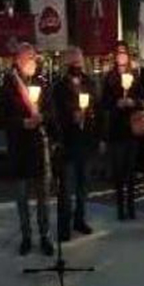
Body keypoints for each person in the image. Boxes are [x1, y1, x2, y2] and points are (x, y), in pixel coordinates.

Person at [0, 43, 53, 256]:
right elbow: (0, 119)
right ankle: (27, 236)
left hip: (39, 147)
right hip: (19, 148)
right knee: (22, 197)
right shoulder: (9, 85)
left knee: (43, 197)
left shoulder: (43, 82)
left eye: (34, 57)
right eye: (29, 57)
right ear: (18, 60)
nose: (33, 61)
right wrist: (22, 123)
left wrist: (43, 117)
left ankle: (44, 235)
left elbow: (51, 112)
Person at [101, 42, 144, 221]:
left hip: (132, 128)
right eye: (118, 52)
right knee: (119, 171)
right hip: (117, 129)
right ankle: (120, 207)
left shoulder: (136, 75)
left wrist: (133, 102)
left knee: (130, 170)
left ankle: (131, 206)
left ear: (128, 55)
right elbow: (104, 103)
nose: (121, 55)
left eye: (124, 52)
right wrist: (116, 103)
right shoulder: (109, 77)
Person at [51, 48, 95, 235]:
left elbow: (97, 108)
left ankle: (80, 219)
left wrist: (89, 116)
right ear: (66, 64)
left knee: (83, 186)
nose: (78, 65)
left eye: (80, 62)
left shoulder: (89, 83)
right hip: (68, 143)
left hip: (85, 142)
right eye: (74, 62)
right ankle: (64, 225)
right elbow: (54, 115)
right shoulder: (59, 88)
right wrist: (71, 117)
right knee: (66, 187)